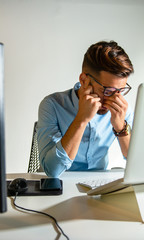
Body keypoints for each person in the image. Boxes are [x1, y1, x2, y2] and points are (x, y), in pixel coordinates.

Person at [37, 40, 134, 178]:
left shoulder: (122, 109)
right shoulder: (52, 105)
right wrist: (81, 119)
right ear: (84, 80)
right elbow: (52, 170)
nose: (114, 98)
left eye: (120, 90)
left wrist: (121, 128)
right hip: (57, 186)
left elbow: (137, 164)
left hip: (97, 185)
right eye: (107, 90)